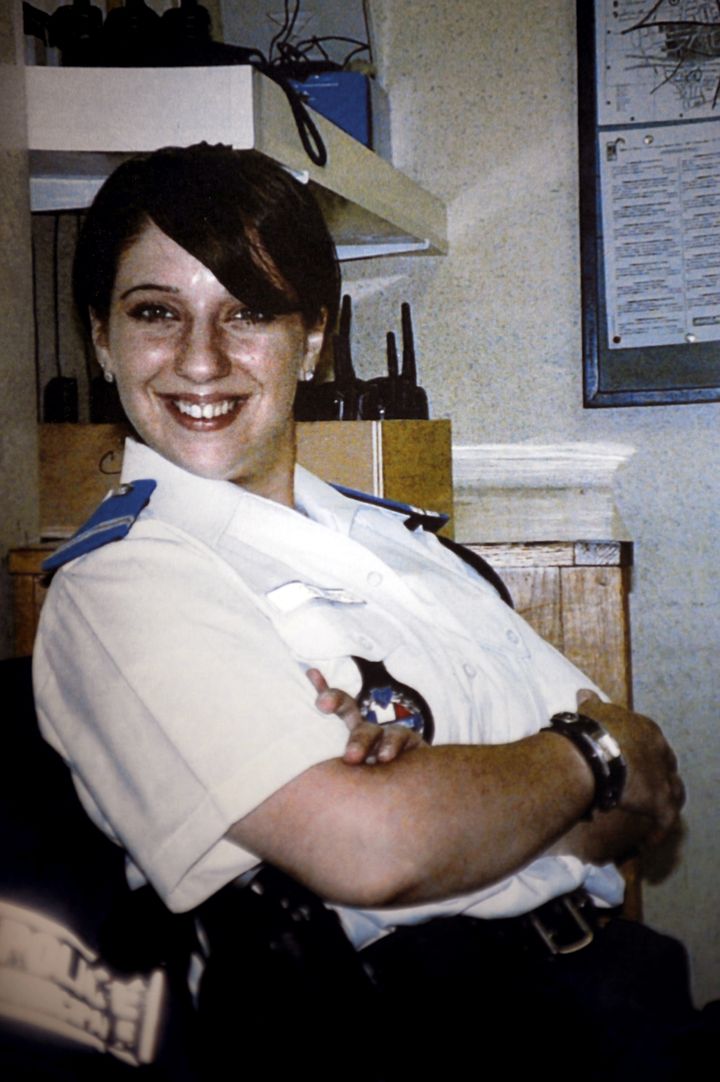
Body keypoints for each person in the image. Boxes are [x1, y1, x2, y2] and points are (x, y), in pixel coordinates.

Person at [32, 143, 703, 1079]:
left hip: (604, 995)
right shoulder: (126, 584)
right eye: (156, 313)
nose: (201, 360)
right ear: (101, 340)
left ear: (312, 338)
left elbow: (649, 793)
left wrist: (465, 793)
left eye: (249, 313)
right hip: (406, 1041)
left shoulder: (399, 542)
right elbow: (374, 847)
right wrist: (580, 759)